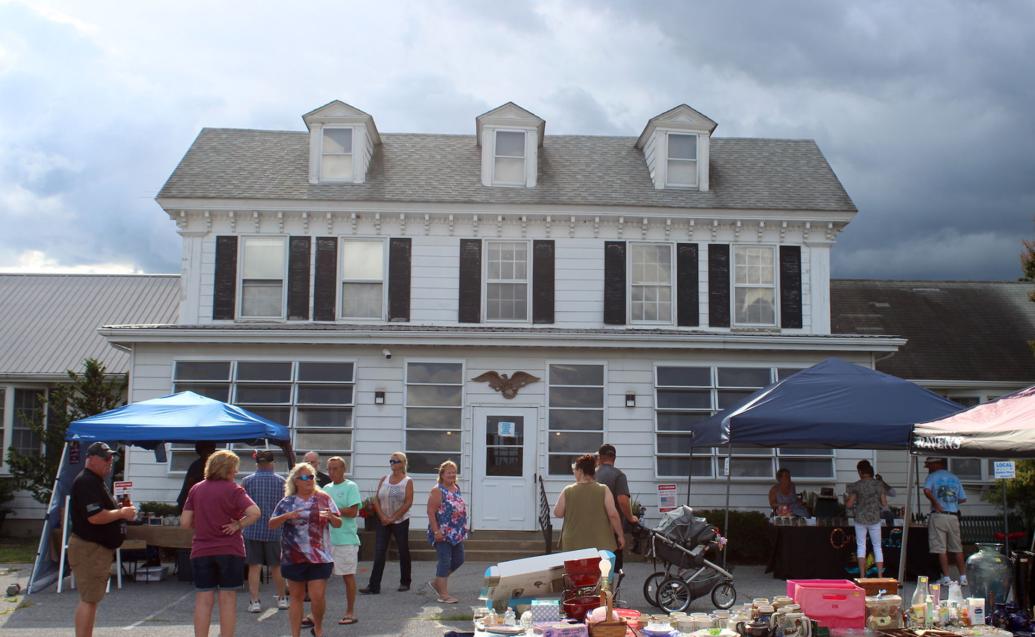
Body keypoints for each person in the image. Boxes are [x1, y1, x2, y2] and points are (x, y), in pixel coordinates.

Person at [181, 449, 261, 637]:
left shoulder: (197, 489)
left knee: (203, 599)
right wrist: (238, 524)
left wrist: (201, 523)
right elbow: (255, 512)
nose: (236, 472)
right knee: (228, 599)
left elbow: (184, 522)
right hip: (230, 549)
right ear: (228, 469)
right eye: (235, 468)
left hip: (202, 549)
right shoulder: (234, 489)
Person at [68, 442, 136, 637]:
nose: (110, 461)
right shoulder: (86, 481)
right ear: (90, 459)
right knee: (89, 599)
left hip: (96, 547)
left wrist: (122, 510)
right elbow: (95, 517)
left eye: (111, 457)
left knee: (92, 599)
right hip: (89, 548)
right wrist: (122, 513)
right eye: (105, 458)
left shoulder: (96, 481)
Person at [270, 462, 341, 637]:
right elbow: (271, 524)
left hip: (319, 556)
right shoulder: (288, 501)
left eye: (311, 476)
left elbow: (338, 523)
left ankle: (318, 627)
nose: (309, 480)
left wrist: (331, 517)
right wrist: (287, 516)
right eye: (304, 477)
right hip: (293, 556)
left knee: (317, 597)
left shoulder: (324, 498)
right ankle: (295, 634)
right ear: (296, 481)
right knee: (296, 597)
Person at [241, 449, 288, 613]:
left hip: (251, 529)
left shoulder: (246, 481)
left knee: (254, 567)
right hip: (274, 530)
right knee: (277, 566)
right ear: (272, 462)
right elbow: (285, 507)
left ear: (257, 463)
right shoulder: (282, 482)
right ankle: (282, 599)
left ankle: (255, 601)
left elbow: (241, 507)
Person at [360, 451, 414, 594]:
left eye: (395, 461)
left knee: (403, 551)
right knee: (379, 552)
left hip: (400, 520)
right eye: (391, 461)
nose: (392, 464)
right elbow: (376, 498)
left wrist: (393, 517)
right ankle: (373, 585)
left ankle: (405, 581)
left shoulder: (407, 481)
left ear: (402, 463)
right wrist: (382, 516)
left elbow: (408, 502)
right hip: (383, 520)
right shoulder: (384, 478)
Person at [554, 454, 625, 553]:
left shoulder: (568, 490)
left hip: (573, 543)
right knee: (600, 568)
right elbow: (613, 515)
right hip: (600, 543)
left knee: (575, 569)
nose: (574, 473)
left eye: (575, 470)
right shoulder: (603, 489)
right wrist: (620, 535)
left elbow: (558, 513)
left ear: (580, 471)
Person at [323, 456, 362, 625]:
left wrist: (333, 511)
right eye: (329, 469)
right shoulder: (325, 488)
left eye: (335, 468)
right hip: (327, 540)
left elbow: (353, 512)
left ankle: (350, 612)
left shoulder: (351, 486)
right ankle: (315, 614)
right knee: (320, 578)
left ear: (343, 469)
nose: (332, 472)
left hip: (346, 539)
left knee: (347, 577)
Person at [426, 460, 468, 604]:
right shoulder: (437, 490)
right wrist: (436, 531)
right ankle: (443, 595)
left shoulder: (456, 488)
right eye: (449, 472)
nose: (452, 475)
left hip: (456, 532)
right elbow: (431, 512)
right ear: (442, 474)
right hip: (442, 533)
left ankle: (437, 582)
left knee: (459, 559)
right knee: (444, 561)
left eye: (454, 472)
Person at [923, 456, 968, 586]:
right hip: (953, 515)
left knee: (941, 548)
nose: (928, 468)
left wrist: (936, 503)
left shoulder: (932, 477)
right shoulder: (954, 478)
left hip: (939, 515)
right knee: (957, 548)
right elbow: (963, 499)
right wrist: (952, 503)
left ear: (937, 464)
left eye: (930, 466)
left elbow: (926, 490)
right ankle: (963, 577)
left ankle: (947, 578)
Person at [595, 444, 639, 572]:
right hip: (611, 530)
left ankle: (597, 591)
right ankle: (609, 591)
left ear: (600, 458)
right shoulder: (618, 475)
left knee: (595, 567)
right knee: (611, 569)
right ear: (614, 457)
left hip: (592, 528)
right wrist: (631, 518)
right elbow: (622, 500)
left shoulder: (591, 475)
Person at [846, 460, 888, 577]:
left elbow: (849, 504)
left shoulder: (857, 485)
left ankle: (862, 575)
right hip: (875, 518)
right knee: (877, 547)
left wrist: (847, 501)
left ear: (860, 471)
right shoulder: (878, 484)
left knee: (861, 546)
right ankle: (880, 575)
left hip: (860, 518)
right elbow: (884, 503)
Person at [177, 441, 217, 514]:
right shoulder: (198, 465)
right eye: (209, 450)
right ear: (202, 451)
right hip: (191, 501)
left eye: (212, 450)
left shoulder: (207, 464)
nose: (212, 452)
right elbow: (190, 485)